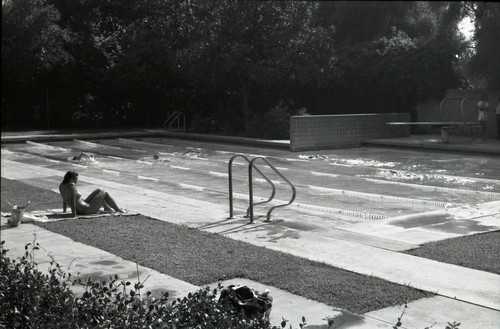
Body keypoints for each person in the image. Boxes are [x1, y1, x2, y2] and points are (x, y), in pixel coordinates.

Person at [59, 170, 123, 217]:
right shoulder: (71, 186)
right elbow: (72, 201)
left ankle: (107, 208)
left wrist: (64, 210)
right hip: (87, 210)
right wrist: (74, 215)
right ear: (71, 179)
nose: (77, 181)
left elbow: (65, 199)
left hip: (82, 208)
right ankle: (118, 210)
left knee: (99, 190)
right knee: (104, 192)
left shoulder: (62, 186)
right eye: (76, 179)